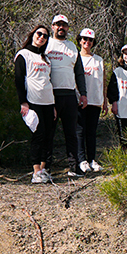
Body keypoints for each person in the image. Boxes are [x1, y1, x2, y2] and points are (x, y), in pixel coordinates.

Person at [47, 15, 90, 176]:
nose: (61, 28)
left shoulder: (72, 47)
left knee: (71, 133)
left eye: (64, 25)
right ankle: (46, 168)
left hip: (70, 95)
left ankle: (74, 167)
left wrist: (83, 94)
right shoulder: (47, 44)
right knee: (49, 133)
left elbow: (79, 73)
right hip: (50, 96)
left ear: (67, 28)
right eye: (58, 25)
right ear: (52, 26)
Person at [15, 25, 57, 183]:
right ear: (33, 34)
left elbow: (48, 81)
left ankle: (44, 170)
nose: (41, 37)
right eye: (39, 34)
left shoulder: (46, 59)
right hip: (33, 102)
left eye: (45, 36)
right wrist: (23, 103)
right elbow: (19, 80)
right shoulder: (23, 55)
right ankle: (36, 171)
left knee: (48, 136)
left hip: (48, 102)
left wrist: (53, 106)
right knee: (38, 136)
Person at [78, 28, 108, 173]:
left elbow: (103, 80)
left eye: (90, 40)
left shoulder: (99, 60)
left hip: (95, 100)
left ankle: (92, 159)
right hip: (80, 100)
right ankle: (81, 159)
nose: (87, 42)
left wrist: (104, 101)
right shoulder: (76, 58)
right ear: (79, 40)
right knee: (80, 131)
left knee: (91, 132)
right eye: (85, 39)